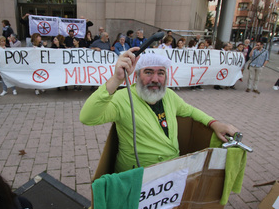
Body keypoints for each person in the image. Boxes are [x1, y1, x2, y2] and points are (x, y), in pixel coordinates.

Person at [80, 50, 238, 172]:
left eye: (160, 73)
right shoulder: (122, 98)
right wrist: (116, 79)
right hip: (137, 175)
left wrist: (214, 123)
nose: (155, 79)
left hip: (170, 173)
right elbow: (87, 117)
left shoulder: (169, 95)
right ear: (135, 76)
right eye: (148, 72)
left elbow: (190, 111)